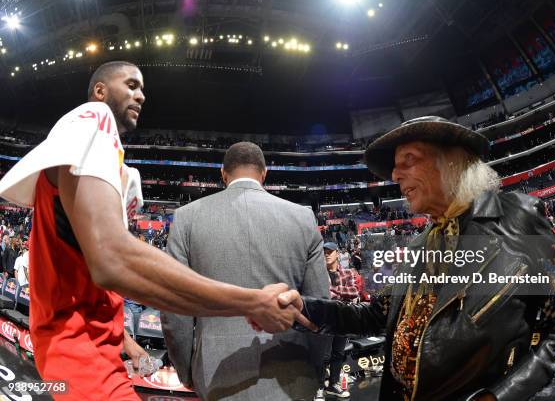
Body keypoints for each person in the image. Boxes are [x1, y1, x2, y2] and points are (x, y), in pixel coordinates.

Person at [0, 61, 308, 400]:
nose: (141, 95)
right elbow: (112, 262)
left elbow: (87, 274)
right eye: (131, 85)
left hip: (88, 346)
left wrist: (124, 340)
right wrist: (251, 302)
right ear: (100, 91)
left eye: (142, 88)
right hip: (78, 350)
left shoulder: (100, 157)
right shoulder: (93, 120)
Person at [280, 116, 555, 401]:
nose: (395, 175)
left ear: (453, 160)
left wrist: (500, 395)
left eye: (409, 160)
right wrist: (304, 308)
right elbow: (374, 316)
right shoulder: (416, 247)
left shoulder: (517, 217)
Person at [161, 141, 329, 400]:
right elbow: (320, 304)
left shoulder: (186, 218)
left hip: (216, 375)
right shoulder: (303, 218)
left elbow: (175, 311)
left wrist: (187, 371)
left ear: (223, 174)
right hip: (293, 375)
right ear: (264, 174)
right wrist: (317, 366)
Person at [313, 241, 358, 401]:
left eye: (330, 251)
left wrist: (333, 290)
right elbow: (321, 297)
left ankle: (333, 384)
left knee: (338, 353)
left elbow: (353, 291)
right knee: (323, 355)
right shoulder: (318, 275)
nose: (326, 254)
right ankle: (319, 387)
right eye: (324, 251)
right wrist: (339, 294)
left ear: (337, 254)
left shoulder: (347, 273)